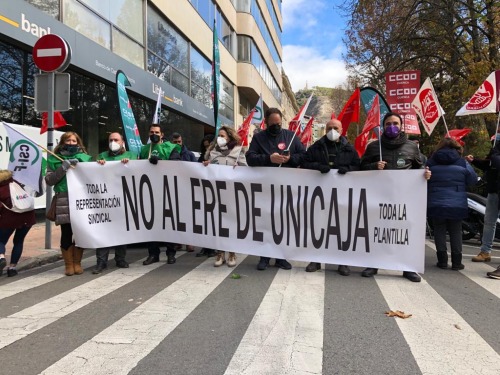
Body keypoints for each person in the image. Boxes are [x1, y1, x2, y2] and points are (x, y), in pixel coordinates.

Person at [360, 112, 431, 282]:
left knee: (404, 232)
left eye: (395, 123)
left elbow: (419, 168)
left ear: (401, 126)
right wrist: (373, 166)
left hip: (404, 198)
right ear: (383, 127)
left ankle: (407, 267)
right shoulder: (374, 147)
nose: (392, 127)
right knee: (377, 231)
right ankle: (373, 263)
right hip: (379, 196)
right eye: (388, 124)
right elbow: (360, 168)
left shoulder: (412, 147)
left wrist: (426, 174)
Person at [246, 107, 306, 271]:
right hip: (265, 188)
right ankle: (264, 257)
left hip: (286, 188)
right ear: (266, 123)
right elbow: (250, 158)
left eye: (278, 124)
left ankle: (281, 257)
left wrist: (290, 159)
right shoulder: (259, 138)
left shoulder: (291, 136)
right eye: (273, 124)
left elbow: (304, 155)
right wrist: (268, 158)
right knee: (265, 222)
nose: (276, 127)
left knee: (283, 223)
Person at [301, 119, 360, 275]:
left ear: (342, 130)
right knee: (318, 227)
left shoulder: (349, 149)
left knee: (341, 228)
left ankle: (342, 262)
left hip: (342, 196)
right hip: (320, 195)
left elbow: (358, 167)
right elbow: (305, 163)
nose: (332, 130)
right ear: (325, 130)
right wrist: (318, 167)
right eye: (329, 128)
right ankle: (316, 260)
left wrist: (347, 169)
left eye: (335, 128)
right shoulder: (316, 147)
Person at [45, 131, 92, 276]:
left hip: (81, 199)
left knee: (80, 232)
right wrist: (63, 167)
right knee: (66, 232)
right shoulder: (53, 160)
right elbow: (49, 181)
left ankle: (77, 262)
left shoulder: (85, 158)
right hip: (63, 199)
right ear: (62, 142)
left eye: (74, 141)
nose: (71, 143)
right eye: (68, 141)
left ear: (78, 143)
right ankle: (69, 264)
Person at [427, 138, 477, 270]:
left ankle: (442, 261)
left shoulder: (431, 161)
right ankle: (456, 262)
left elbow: (424, 179)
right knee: (456, 231)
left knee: (439, 229)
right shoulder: (462, 162)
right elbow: (472, 180)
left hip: (436, 201)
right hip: (457, 201)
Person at [92, 132, 137, 274]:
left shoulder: (131, 156)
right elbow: (93, 175)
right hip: (105, 200)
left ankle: (120, 259)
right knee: (103, 231)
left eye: (116, 139)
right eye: (111, 140)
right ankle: (101, 262)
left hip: (123, 199)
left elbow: (136, 173)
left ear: (122, 141)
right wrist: (98, 165)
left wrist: (128, 165)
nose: (113, 142)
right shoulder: (101, 156)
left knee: (121, 230)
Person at [203, 125, 247, 267]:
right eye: (219, 136)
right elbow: (206, 168)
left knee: (231, 223)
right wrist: (206, 165)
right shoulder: (213, 151)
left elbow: (245, 169)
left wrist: (239, 168)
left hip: (232, 193)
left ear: (229, 137)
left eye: (223, 136)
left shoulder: (238, 150)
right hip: (217, 192)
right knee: (218, 223)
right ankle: (220, 253)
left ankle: (232, 253)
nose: (220, 138)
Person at [139, 124, 181, 266]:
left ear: (162, 134)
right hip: (149, 191)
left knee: (168, 223)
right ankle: (153, 254)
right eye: (151, 132)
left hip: (167, 189)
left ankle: (171, 253)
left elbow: (175, 164)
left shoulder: (171, 147)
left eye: (157, 132)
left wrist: (160, 163)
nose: (154, 134)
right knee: (151, 223)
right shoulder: (144, 150)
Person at [465, 134, 499, 263]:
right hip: (493, 190)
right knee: (489, 222)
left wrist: (495, 155)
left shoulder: (496, 150)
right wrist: (474, 161)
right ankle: (485, 251)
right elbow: (489, 164)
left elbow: (496, 161)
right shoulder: (496, 147)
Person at [0, 170, 36, 277]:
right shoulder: (16, 184)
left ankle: (1, 258)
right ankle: (12, 268)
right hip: (28, 217)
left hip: (10, 219)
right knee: (19, 241)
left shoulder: (1, 189)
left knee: (1, 240)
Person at [170, 132, 196, 252]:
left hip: (187, 188)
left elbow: (196, 170)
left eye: (179, 142)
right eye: (174, 142)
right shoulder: (168, 154)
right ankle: (178, 241)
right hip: (173, 188)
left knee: (188, 216)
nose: (177, 144)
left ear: (182, 141)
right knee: (175, 217)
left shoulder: (189, 154)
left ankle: (189, 241)